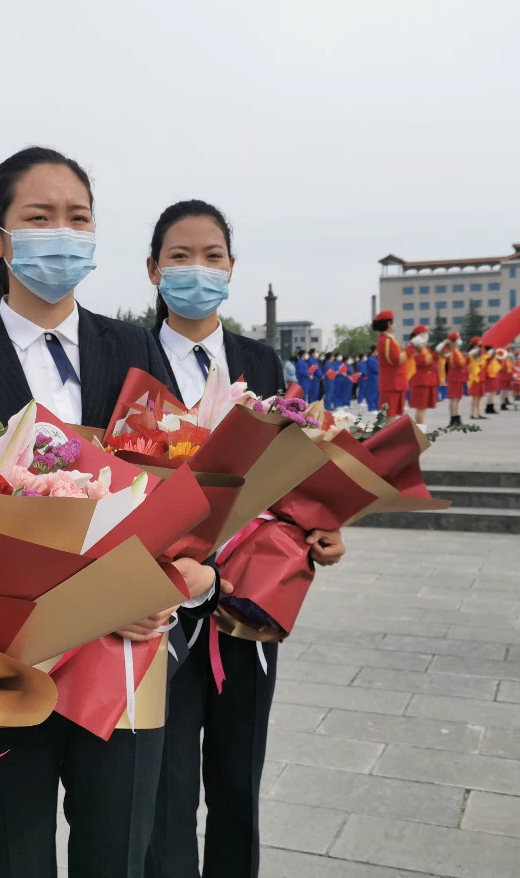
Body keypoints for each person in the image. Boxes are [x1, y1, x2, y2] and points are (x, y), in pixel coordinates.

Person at [0, 148, 213, 878]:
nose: (61, 233)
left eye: (78, 218)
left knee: (119, 853)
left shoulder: (136, 347)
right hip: (8, 660)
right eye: (38, 218)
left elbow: (182, 486)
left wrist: (168, 579)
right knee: (14, 855)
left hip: (126, 656)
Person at [141, 199, 345, 878]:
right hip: (160, 611)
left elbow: (293, 478)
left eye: (212, 256)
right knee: (165, 786)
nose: (197, 269)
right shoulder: (131, 362)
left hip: (249, 603)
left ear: (232, 270)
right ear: (153, 270)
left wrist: (322, 529)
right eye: (180, 256)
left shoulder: (261, 360)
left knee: (238, 778)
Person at [373, 311, 407, 416]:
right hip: (392, 383)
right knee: (390, 416)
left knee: (392, 415)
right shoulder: (387, 340)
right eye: (393, 322)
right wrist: (409, 350)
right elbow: (395, 360)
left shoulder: (387, 339)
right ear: (388, 324)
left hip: (394, 382)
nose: (394, 325)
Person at [405, 323, 438, 426]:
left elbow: (431, 361)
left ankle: (421, 432)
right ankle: (420, 433)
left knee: (423, 409)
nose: (427, 335)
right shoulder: (413, 347)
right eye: (424, 333)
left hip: (427, 380)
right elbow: (423, 362)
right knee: (421, 408)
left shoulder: (425, 348)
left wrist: (437, 352)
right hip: (420, 381)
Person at [438, 331, 468, 426]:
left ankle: (456, 418)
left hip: (457, 377)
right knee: (455, 399)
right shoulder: (452, 351)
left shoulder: (455, 350)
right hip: (455, 377)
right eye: (458, 339)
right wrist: (468, 360)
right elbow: (458, 364)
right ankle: (454, 418)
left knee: (456, 399)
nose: (460, 340)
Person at [466, 337, 487, 419]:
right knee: (475, 396)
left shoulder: (478, 352)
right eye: (479, 342)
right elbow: (478, 362)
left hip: (480, 375)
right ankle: (474, 413)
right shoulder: (473, 352)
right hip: (475, 376)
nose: (480, 344)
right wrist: (484, 359)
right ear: (475, 344)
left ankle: (479, 412)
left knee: (480, 396)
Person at [364, 345, 380, 411]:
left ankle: (377, 407)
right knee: (372, 392)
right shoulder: (370, 359)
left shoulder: (375, 358)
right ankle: (371, 408)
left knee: (377, 392)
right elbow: (375, 369)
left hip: (377, 377)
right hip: (372, 377)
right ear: (375, 351)